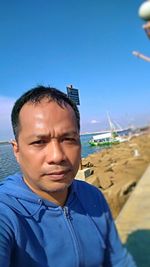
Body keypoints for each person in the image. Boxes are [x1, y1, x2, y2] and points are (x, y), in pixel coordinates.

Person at [0, 85, 136, 267]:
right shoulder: (7, 213)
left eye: (68, 139)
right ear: (17, 151)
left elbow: (118, 260)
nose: (57, 156)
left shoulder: (93, 196)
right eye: (39, 142)